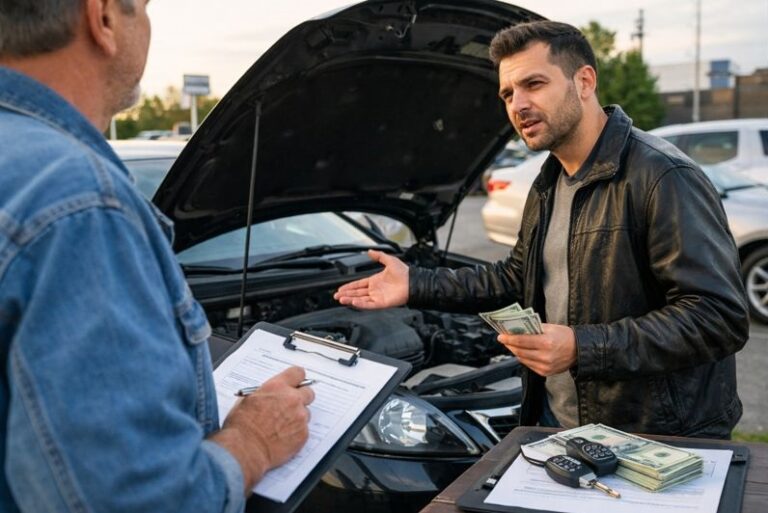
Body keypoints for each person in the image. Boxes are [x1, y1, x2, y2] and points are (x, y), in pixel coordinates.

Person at [335, 20, 749, 439]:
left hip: (654, 437)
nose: (518, 104)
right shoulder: (549, 181)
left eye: (534, 84)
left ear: (584, 81)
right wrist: (417, 283)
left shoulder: (662, 175)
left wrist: (581, 347)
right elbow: (517, 278)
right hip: (561, 424)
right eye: (508, 94)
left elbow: (717, 317)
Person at [0, 1, 313, 511]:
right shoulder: (77, 201)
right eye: (143, 8)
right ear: (101, 18)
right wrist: (254, 441)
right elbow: (132, 498)